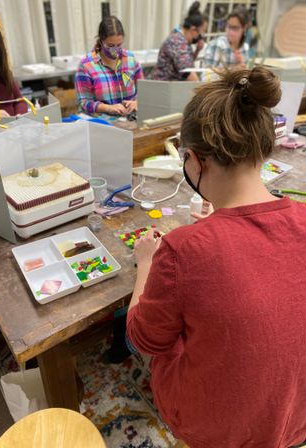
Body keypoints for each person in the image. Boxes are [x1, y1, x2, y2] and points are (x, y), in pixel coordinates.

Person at [126, 66, 306, 447]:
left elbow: (144, 340)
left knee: (159, 338)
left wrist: (145, 263)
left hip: (219, 429)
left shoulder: (182, 251)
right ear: (263, 148)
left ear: (193, 160)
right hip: (294, 417)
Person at [75, 15, 143, 117]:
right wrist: (108, 108)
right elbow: (84, 102)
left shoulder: (130, 59)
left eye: (119, 45)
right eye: (110, 46)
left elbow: (144, 90)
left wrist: (137, 102)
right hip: (104, 123)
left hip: (131, 119)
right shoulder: (86, 66)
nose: (115, 50)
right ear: (101, 41)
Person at [151, 2, 206, 81]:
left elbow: (186, 62)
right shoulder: (178, 42)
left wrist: (197, 50)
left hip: (170, 86)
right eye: (201, 33)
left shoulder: (181, 39)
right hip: (163, 87)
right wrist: (204, 90)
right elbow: (186, 72)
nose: (200, 37)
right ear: (193, 30)